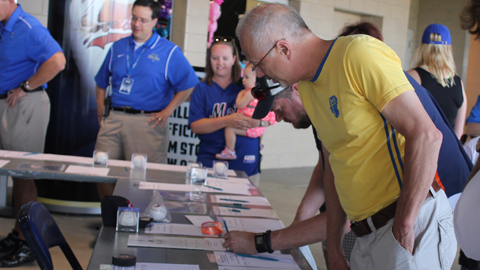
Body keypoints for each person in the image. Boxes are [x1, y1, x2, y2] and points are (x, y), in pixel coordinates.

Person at [235, 4, 468, 269]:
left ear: (284, 48)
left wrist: (404, 225)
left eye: (259, 64)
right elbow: (334, 169)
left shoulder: (357, 54)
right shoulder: (310, 89)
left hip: (407, 226)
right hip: (365, 233)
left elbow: (426, 135)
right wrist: (334, 247)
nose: (260, 74)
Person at [94, 0, 198, 199]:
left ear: (154, 22)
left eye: (143, 20)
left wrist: (168, 110)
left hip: (147, 122)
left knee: (144, 179)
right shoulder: (118, 47)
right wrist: (100, 109)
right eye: (133, 18)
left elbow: (189, 83)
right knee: (101, 170)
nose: (136, 24)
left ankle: (139, 223)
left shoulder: (169, 52)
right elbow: (101, 81)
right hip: (114, 117)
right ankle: (111, 219)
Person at [0, 0, 66, 267]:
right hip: (8, 104)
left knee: (25, 175)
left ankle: (29, 242)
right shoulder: (5, 26)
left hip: (24, 104)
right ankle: (19, 234)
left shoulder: (28, 26)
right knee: (17, 175)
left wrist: (25, 87)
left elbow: (58, 61)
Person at [188, 37, 262, 186]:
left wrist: (259, 123)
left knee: (245, 207)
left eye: (225, 58)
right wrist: (226, 120)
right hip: (211, 159)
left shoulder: (247, 85)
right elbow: (196, 126)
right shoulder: (201, 89)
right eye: (215, 58)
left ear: (234, 59)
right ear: (209, 59)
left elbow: (266, 117)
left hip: (246, 159)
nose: (220, 63)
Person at [407, 23, 466, 139]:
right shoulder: (459, 83)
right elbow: (458, 133)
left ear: (421, 47)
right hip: (448, 152)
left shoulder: (412, 77)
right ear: (449, 48)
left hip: (419, 151)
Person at [216, 63, 276, 160]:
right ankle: (259, 145)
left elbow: (240, 105)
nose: (243, 80)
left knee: (229, 129)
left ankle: (230, 151)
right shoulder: (264, 93)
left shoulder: (249, 93)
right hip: (260, 130)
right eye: (243, 76)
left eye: (247, 77)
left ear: (257, 81)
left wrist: (243, 95)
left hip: (249, 126)